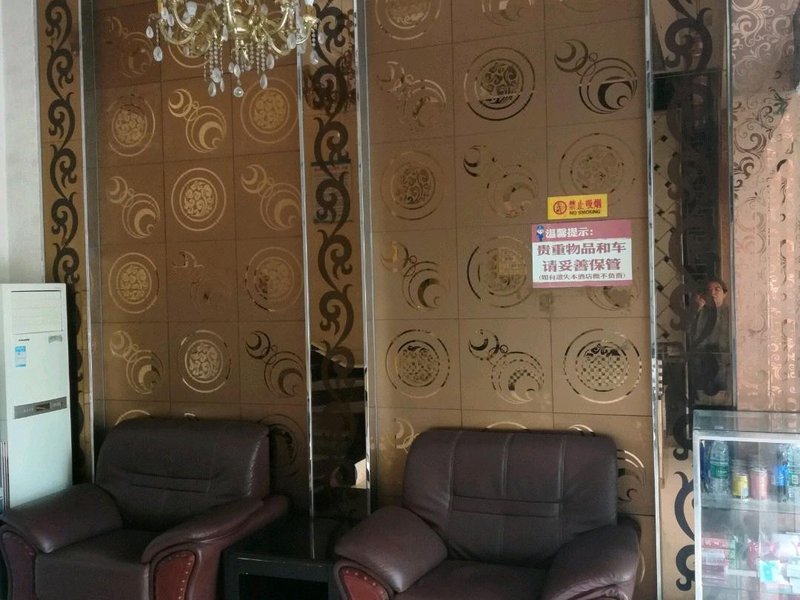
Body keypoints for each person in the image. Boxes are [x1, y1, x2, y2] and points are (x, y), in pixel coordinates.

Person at [688, 277, 731, 405]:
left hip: (725, 365)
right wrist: (697, 309)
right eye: (709, 290)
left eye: (717, 289)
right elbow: (689, 333)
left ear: (725, 293)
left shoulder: (731, 313)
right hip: (702, 365)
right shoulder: (700, 312)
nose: (713, 293)